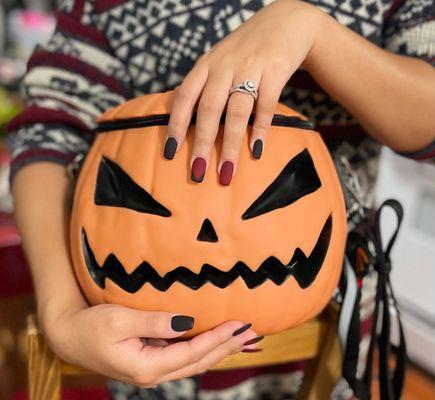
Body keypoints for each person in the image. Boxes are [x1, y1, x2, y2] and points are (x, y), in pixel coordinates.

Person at [6, 0, 435, 398]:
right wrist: (60, 311)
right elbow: (50, 131)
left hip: (333, 336)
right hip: (145, 357)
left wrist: (313, 32)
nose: (207, 231)